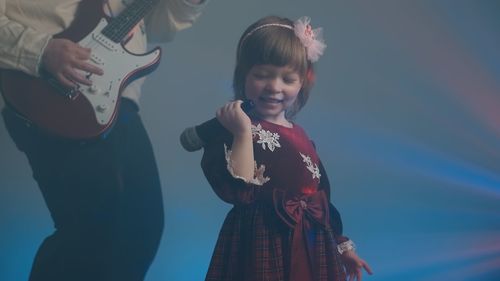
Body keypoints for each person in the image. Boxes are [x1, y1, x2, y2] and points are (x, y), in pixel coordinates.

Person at [0, 0, 207, 280]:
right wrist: (42, 50)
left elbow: (161, 27)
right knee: (91, 233)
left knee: (140, 230)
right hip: (49, 89)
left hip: (117, 98)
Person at [200, 15, 373, 281]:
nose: (274, 87)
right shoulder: (234, 130)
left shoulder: (301, 136)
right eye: (262, 75)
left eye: (288, 79)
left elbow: (321, 197)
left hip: (311, 242)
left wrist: (341, 246)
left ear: (302, 82)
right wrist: (243, 132)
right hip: (261, 244)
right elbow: (240, 190)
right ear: (243, 75)